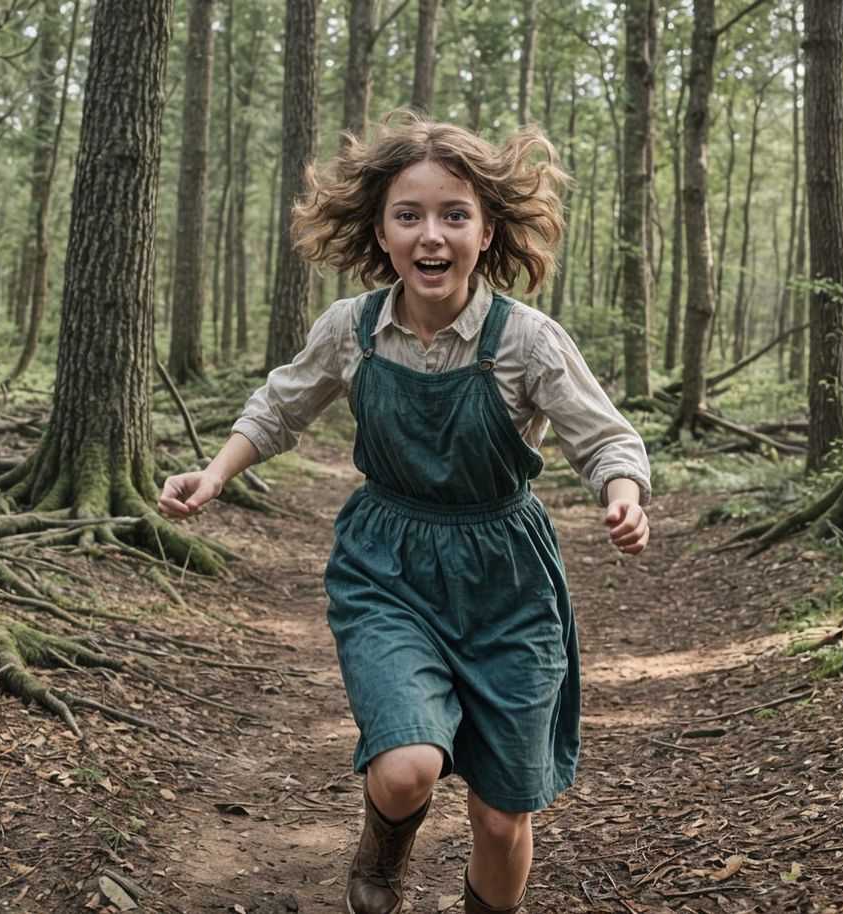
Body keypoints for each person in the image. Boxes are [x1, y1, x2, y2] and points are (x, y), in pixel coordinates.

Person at [158, 114, 651, 914]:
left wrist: (622, 498)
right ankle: (382, 853)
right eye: (409, 215)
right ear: (381, 231)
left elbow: (606, 439)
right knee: (405, 766)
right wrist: (213, 474)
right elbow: (279, 408)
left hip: (508, 582)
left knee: (501, 816)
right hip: (387, 565)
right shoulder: (351, 332)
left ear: (486, 232)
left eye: (455, 215)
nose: (433, 234)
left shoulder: (527, 341)